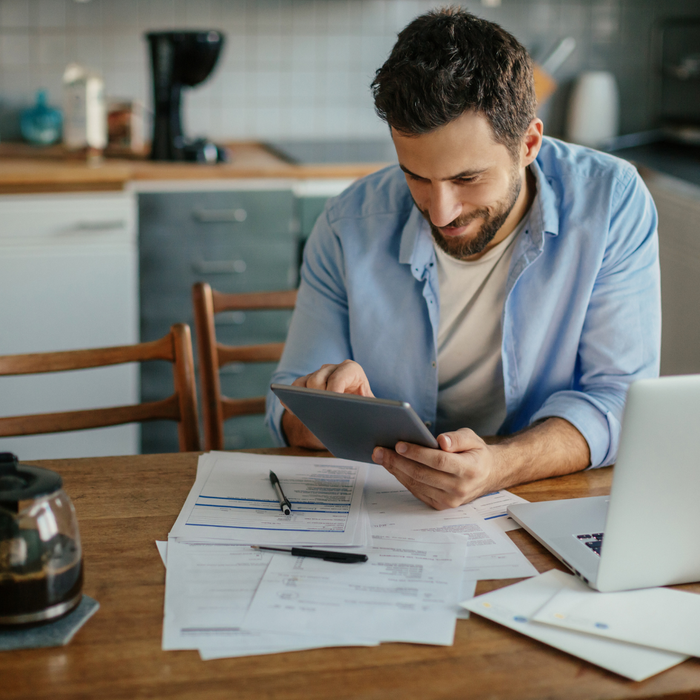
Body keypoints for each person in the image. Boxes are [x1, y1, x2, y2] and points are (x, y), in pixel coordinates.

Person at [266, 8, 660, 510]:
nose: (440, 211)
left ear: (529, 144)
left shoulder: (611, 202)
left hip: (540, 499)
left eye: (466, 179)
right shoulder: (347, 225)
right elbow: (285, 413)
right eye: (416, 177)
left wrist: (500, 465)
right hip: (389, 510)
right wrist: (329, 407)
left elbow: (623, 403)